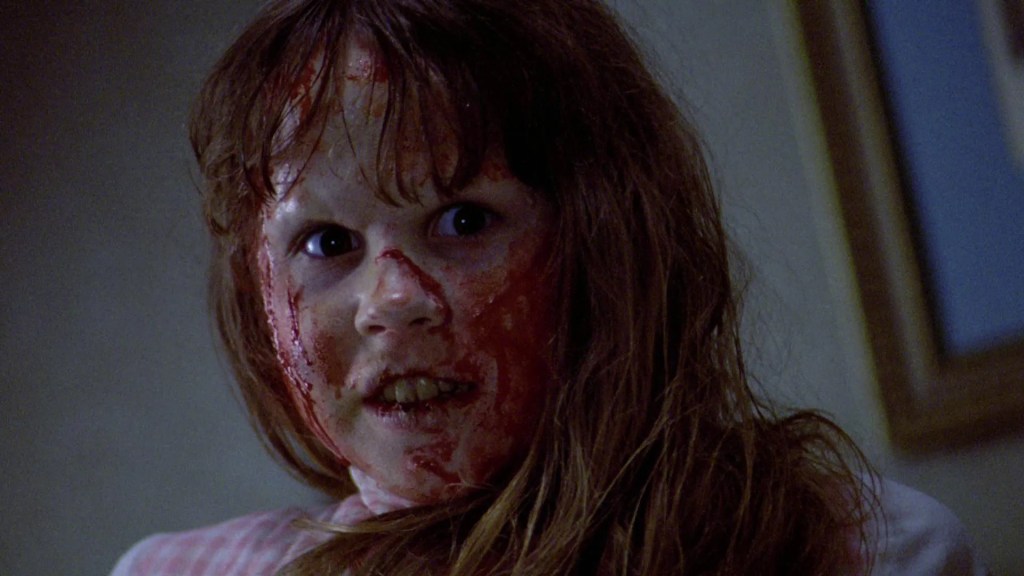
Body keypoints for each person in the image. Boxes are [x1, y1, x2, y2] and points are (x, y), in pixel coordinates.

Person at [111, 0, 991, 574]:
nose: (392, 301)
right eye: (327, 242)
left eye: (464, 220)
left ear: (607, 242)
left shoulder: (861, 552)